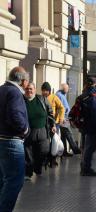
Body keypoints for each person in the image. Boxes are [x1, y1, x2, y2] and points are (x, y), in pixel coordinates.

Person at [0, 67, 30, 212]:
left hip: (1, 141)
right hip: (11, 142)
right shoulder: (15, 92)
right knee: (14, 181)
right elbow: (15, 115)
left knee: (3, 180)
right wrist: (25, 129)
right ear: (23, 81)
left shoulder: (1, 89)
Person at [24, 83, 55, 180]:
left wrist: (53, 124)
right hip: (28, 131)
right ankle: (28, 173)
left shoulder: (42, 99)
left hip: (42, 130)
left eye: (31, 89)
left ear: (35, 89)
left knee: (43, 150)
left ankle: (38, 168)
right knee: (28, 154)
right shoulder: (22, 100)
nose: (29, 91)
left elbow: (50, 112)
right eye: (27, 89)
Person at [79, 77, 96, 176]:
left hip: (84, 126)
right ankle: (86, 169)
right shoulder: (94, 97)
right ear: (95, 85)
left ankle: (84, 166)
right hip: (92, 127)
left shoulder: (83, 95)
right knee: (89, 148)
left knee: (86, 147)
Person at [41, 82, 65, 167]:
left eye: (46, 90)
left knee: (54, 142)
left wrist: (60, 119)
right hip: (44, 124)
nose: (44, 92)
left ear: (49, 91)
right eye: (43, 90)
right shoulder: (40, 98)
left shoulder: (54, 97)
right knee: (47, 142)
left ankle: (53, 160)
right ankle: (46, 159)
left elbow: (62, 108)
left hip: (54, 124)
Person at [56, 84, 81, 156]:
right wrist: (62, 117)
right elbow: (59, 108)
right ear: (63, 88)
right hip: (63, 119)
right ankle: (75, 149)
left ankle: (64, 152)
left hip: (65, 118)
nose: (68, 89)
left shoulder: (62, 95)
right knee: (68, 133)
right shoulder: (59, 95)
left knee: (64, 135)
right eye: (67, 88)